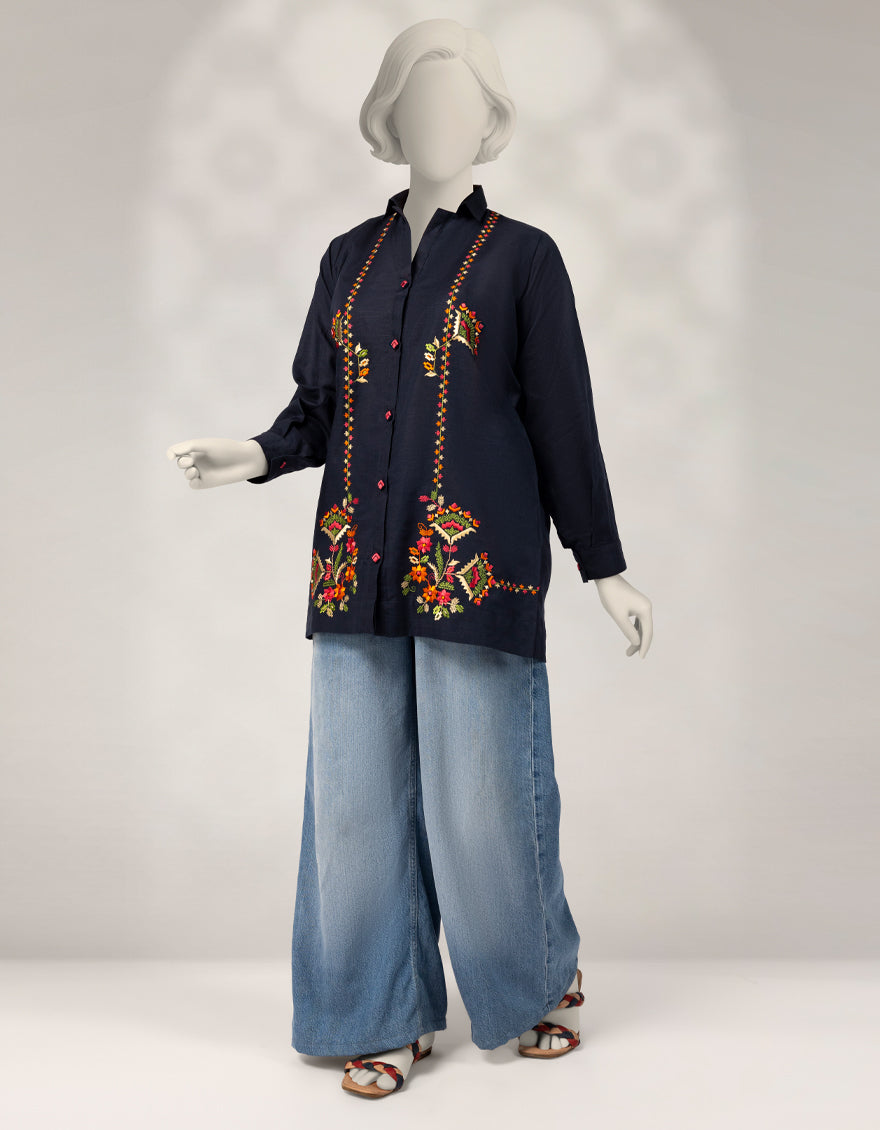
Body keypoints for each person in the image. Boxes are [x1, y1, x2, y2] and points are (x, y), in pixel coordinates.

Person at [167, 17, 652, 1099]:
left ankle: (538, 978)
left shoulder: (523, 259)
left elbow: (563, 421)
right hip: (355, 568)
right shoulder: (350, 259)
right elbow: (317, 407)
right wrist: (254, 453)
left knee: (482, 797)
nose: (439, 121)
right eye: (418, 101)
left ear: (490, 122)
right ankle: (376, 1012)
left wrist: (604, 566)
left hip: (474, 567)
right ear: (387, 119)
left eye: (461, 102)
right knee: (353, 805)